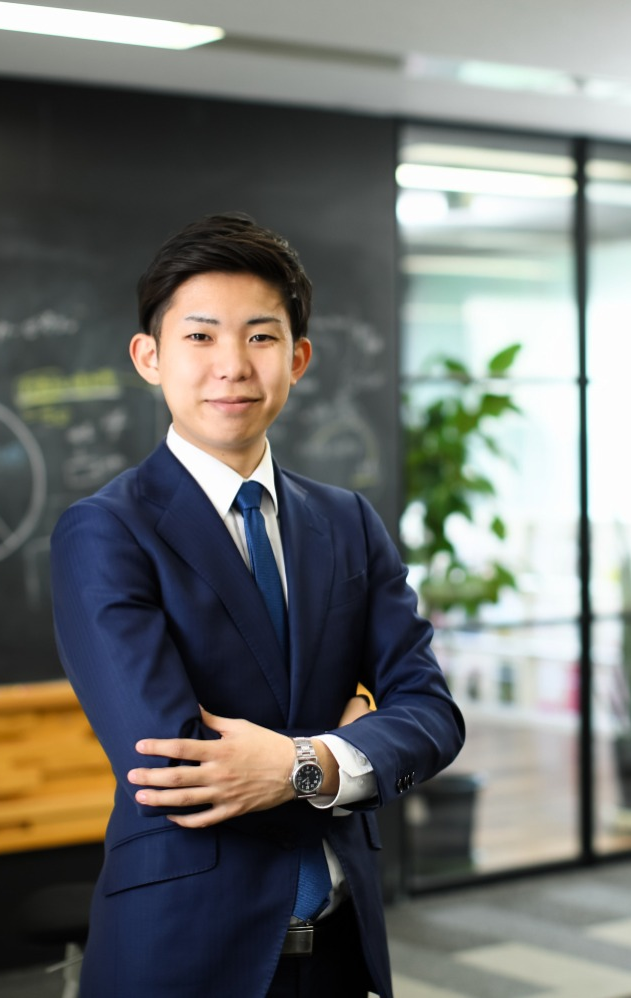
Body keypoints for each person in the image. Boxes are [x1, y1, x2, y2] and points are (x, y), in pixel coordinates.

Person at [50, 212, 465, 998]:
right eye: (200, 337)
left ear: (298, 358)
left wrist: (302, 765)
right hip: (184, 953)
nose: (232, 366)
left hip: (342, 948)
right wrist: (347, 743)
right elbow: (174, 763)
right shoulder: (105, 531)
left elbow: (433, 715)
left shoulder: (348, 521)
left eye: (261, 337)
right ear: (149, 357)